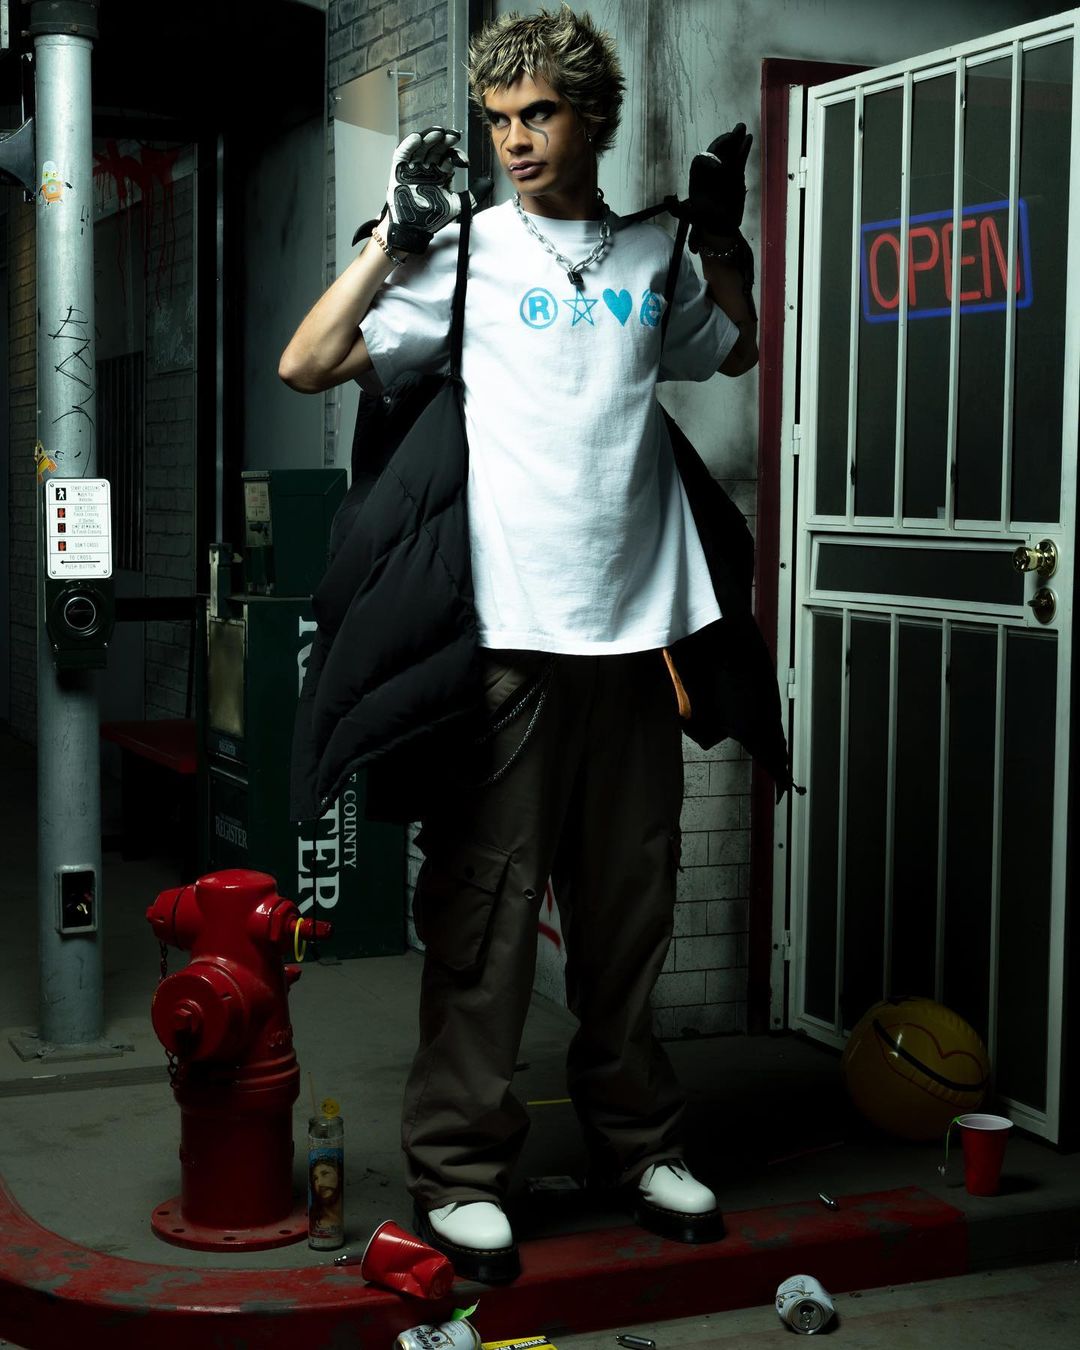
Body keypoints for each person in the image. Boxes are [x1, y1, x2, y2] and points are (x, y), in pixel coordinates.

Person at [281, 4, 785, 1285]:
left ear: (592, 119)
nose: (514, 139)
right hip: (507, 643)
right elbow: (309, 361)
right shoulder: (464, 256)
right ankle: (460, 1168)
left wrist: (724, 243)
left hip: (637, 639)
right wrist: (390, 240)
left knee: (629, 914)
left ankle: (641, 1146)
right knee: (487, 917)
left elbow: (736, 349)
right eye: (500, 118)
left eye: (540, 114)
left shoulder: (650, 250)